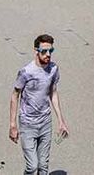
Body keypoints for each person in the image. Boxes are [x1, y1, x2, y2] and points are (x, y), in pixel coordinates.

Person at [9, 34, 68, 175]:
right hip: (28, 124)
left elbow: (53, 93)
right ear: (36, 51)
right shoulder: (26, 72)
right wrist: (12, 125)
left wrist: (61, 121)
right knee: (32, 167)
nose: (48, 55)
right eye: (44, 51)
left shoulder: (53, 69)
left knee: (43, 166)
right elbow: (14, 96)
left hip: (45, 122)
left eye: (51, 51)